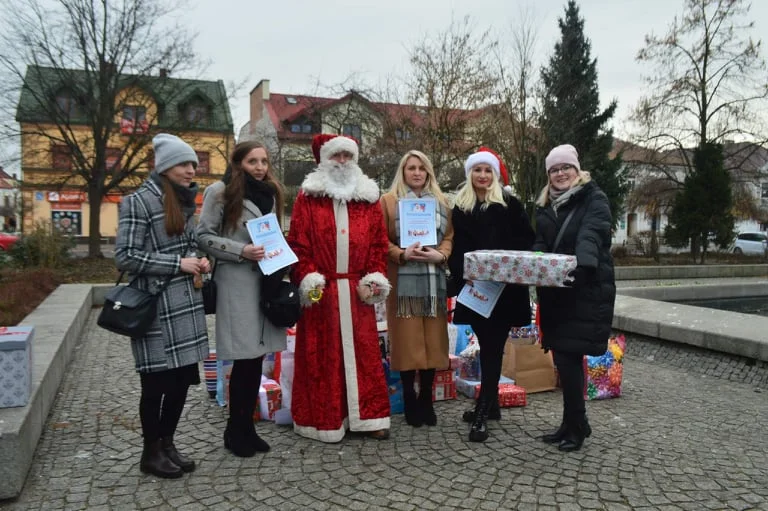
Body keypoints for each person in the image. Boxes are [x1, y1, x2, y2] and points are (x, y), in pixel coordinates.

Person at [115, 133, 211, 478]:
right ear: (167, 166)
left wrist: (200, 260)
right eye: (186, 164)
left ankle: (167, 443)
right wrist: (178, 264)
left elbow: (187, 246)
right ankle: (150, 452)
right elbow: (124, 257)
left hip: (185, 305)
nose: (191, 170)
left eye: (193, 165)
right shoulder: (137, 202)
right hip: (156, 308)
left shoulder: (184, 200)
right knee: (154, 385)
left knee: (183, 381)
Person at [287, 133, 391, 443]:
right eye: (337, 156)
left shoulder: (369, 199)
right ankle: (325, 420)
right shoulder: (307, 199)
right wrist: (307, 277)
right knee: (323, 358)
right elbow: (298, 245)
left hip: (357, 292)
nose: (343, 162)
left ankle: (370, 419)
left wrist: (374, 277)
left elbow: (378, 244)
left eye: (348, 156)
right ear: (324, 160)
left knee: (364, 356)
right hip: (323, 291)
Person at [196, 140, 288, 457]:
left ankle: (244, 428)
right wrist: (240, 251)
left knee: (256, 360)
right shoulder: (219, 192)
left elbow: (274, 234)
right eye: (252, 161)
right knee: (243, 358)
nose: (260, 168)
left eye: (264, 161)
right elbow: (203, 235)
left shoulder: (271, 194)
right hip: (236, 282)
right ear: (238, 163)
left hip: (266, 280)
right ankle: (235, 430)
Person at [447, 148, 535, 443]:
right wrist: (462, 273)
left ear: (495, 175)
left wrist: (503, 263)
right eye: (477, 170)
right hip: (475, 289)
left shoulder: (510, 204)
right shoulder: (461, 207)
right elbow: (456, 249)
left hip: (504, 290)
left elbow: (526, 240)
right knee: (486, 345)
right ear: (469, 174)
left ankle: (483, 412)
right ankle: (492, 404)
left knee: (492, 348)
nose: (482, 176)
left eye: (487, 170)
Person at [533, 144, 616, 452]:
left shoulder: (594, 198)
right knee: (562, 357)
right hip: (555, 292)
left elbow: (590, 237)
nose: (560, 174)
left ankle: (577, 425)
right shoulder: (545, 204)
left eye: (566, 167)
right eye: (554, 170)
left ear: (577, 170)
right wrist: (533, 263)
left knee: (568, 359)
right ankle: (571, 422)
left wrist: (582, 266)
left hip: (584, 289)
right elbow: (540, 241)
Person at [380, 150, 453, 427]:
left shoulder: (442, 202)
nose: (417, 173)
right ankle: (410, 397)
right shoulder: (388, 202)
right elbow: (381, 240)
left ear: (429, 172)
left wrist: (442, 255)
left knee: (433, 341)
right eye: (411, 168)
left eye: (422, 168)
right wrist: (400, 253)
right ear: (403, 171)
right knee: (408, 341)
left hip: (433, 281)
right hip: (403, 284)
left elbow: (448, 236)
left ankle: (426, 398)